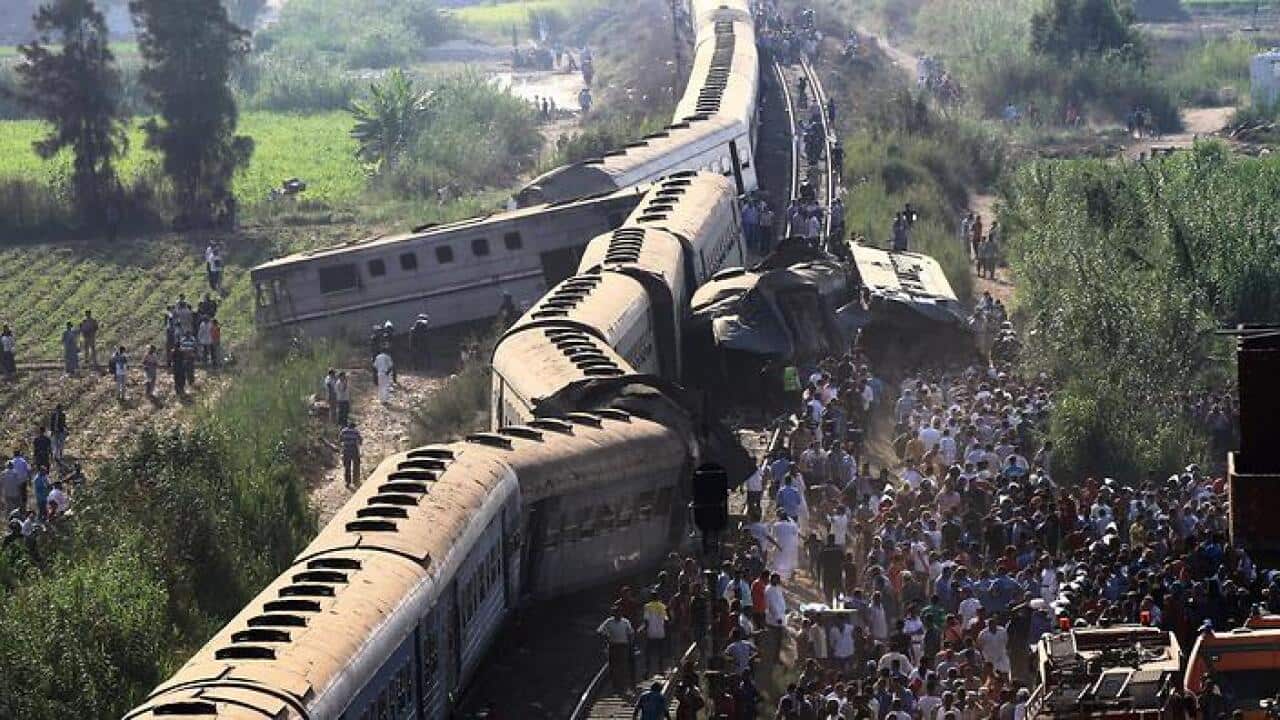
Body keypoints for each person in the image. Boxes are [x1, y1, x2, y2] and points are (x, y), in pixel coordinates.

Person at [599, 605, 636, 695]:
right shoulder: (609, 622)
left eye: (619, 613)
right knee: (613, 666)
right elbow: (600, 631)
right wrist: (607, 639)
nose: (617, 615)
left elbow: (631, 633)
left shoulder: (625, 622)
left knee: (623, 666)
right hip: (613, 646)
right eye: (616, 613)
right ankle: (615, 685)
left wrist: (630, 643)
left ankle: (623, 685)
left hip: (623, 646)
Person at [643, 590, 669, 676]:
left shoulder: (647, 606)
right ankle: (661, 670)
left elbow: (646, 620)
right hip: (660, 633)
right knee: (660, 652)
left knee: (648, 653)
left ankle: (647, 671)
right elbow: (666, 620)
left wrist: (645, 630)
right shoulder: (662, 606)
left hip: (651, 633)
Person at [339, 421, 363, 487]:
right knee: (356, 466)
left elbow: (340, 440)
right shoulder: (356, 431)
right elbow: (360, 441)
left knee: (347, 467)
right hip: (354, 450)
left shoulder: (343, 431)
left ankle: (347, 482)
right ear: (354, 426)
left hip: (346, 450)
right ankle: (355, 481)